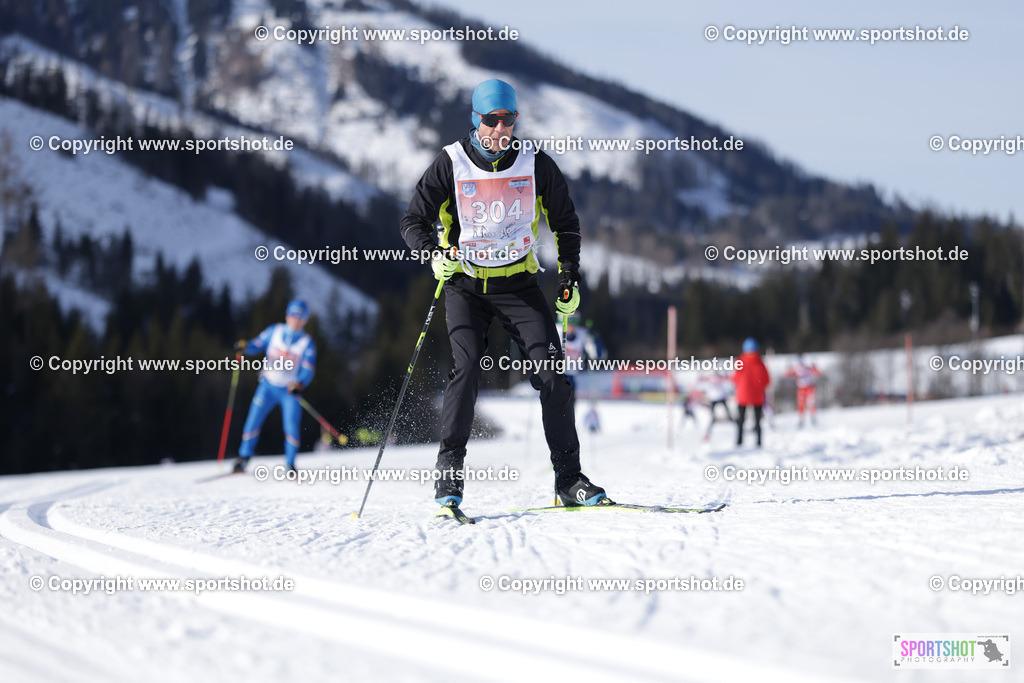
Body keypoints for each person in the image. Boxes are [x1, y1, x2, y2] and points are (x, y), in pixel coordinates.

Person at [400, 78, 610, 510]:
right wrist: (431, 255)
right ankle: (449, 480)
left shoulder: (535, 163)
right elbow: (413, 221)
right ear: (475, 120)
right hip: (465, 284)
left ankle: (569, 480)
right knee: (468, 369)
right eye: (491, 120)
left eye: (508, 119)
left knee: (553, 375)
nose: (500, 129)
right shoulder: (451, 163)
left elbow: (566, 223)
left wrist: (569, 278)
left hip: (518, 284)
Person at [231, 299, 317, 473]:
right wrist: (245, 346)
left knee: (291, 426)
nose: (296, 320)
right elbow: (257, 344)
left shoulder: (306, 343)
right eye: (293, 315)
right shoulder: (274, 331)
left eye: (300, 317)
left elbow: (308, 369)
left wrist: (299, 383)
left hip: (289, 391)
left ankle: (290, 464)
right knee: (253, 420)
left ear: (305, 320)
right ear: (287, 315)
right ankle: (243, 457)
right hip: (268, 386)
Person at [733, 337, 770, 447]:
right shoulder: (760, 362)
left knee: (741, 419)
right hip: (757, 396)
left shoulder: (740, 362)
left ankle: (739, 442)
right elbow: (766, 380)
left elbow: (734, 379)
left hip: (742, 395)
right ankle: (759, 442)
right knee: (758, 420)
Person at [784, 354, 822, 427]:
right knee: (801, 405)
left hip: (809, 388)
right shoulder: (796, 369)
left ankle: (813, 419)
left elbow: (818, 373)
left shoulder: (807, 368)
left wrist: (814, 366)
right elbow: (786, 375)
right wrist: (788, 367)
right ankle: (801, 420)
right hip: (801, 389)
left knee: (811, 403)